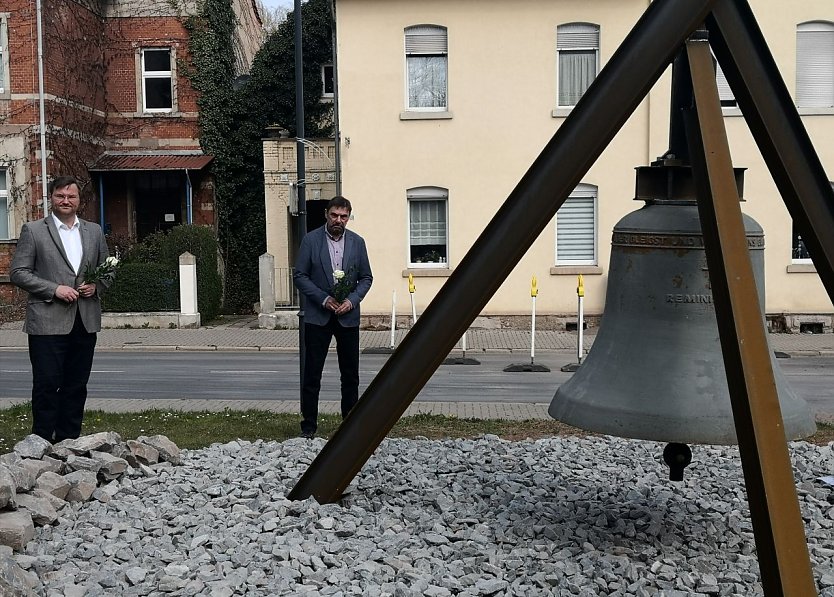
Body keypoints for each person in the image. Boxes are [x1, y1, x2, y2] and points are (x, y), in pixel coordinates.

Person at [10, 176, 112, 443]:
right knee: (46, 384)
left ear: (79, 200)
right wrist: (54, 289)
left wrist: (96, 286)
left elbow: (109, 269)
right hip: (47, 320)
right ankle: (41, 441)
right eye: (60, 196)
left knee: (76, 385)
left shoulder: (94, 231)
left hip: (84, 320)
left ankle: (69, 441)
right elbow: (18, 273)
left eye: (71, 196)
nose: (66, 201)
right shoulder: (33, 230)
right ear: (51, 199)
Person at [293, 196, 373, 438]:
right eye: (334, 215)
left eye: (343, 216)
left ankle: (350, 425)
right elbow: (300, 275)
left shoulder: (358, 243)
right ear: (326, 214)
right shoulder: (311, 240)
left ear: (349, 217)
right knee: (312, 374)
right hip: (318, 316)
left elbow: (366, 278)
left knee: (350, 374)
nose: (339, 220)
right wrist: (324, 299)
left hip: (347, 317)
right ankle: (308, 427)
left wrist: (351, 301)